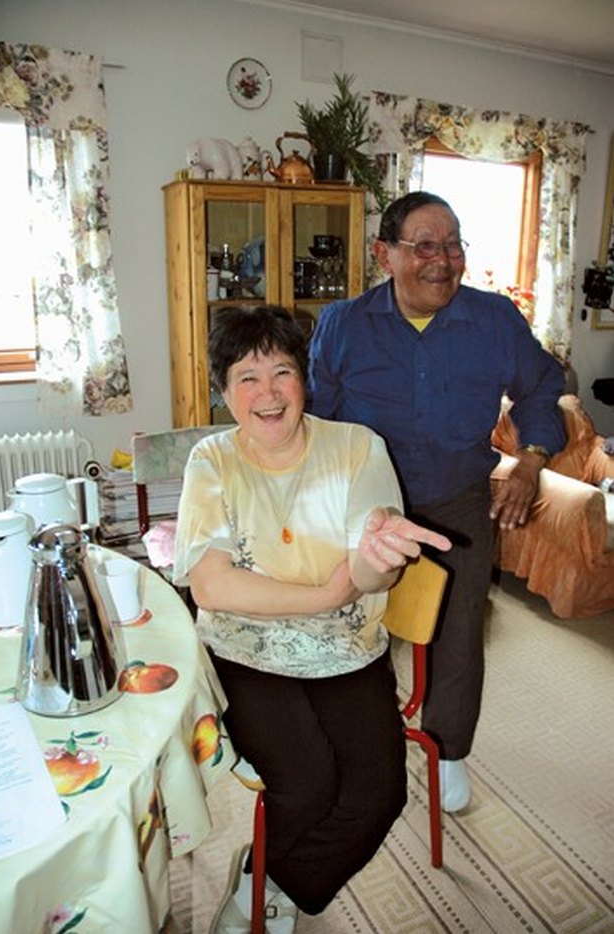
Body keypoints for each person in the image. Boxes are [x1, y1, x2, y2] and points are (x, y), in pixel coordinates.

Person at [173, 304, 451, 933]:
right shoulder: (211, 461)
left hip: (348, 647)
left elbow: (371, 568)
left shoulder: (356, 448)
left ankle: (268, 878)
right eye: (247, 376)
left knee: (380, 794)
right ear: (224, 392)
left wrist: (380, 564)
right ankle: (268, 887)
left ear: (306, 380)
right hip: (246, 650)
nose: (267, 393)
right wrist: (325, 594)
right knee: (305, 784)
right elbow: (213, 587)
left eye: (282, 371)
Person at [308, 191, 567, 813]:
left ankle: (449, 750)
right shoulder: (343, 324)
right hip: (367, 509)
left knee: (457, 634)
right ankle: (360, 742)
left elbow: (541, 384)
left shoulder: (495, 319)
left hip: (457, 502)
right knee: (349, 624)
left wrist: (531, 459)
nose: (442, 260)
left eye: (452, 245)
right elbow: (317, 419)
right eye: (425, 245)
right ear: (385, 255)